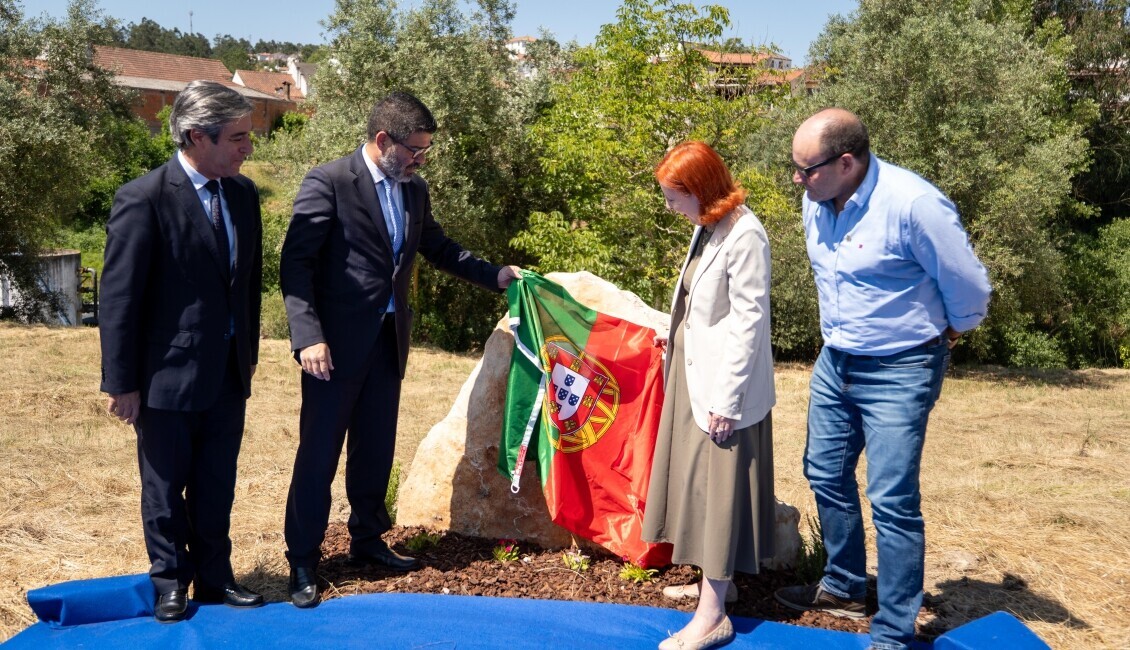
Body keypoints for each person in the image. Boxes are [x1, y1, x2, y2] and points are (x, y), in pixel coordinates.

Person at [279, 91, 521, 608]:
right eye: (415, 149)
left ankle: (367, 542)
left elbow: (439, 248)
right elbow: (296, 265)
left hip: (388, 346)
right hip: (332, 351)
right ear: (383, 140)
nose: (421, 159)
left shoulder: (415, 190)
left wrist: (495, 275)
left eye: (426, 151)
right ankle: (303, 560)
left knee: (374, 451)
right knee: (318, 455)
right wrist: (308, 336)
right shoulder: (328, 182)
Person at [774, 108, 991, 650]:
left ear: (846, 163)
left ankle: (893, 629)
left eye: (807, 169)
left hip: (902, 367)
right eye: (795, 169)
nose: (797, 181)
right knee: (824, 473)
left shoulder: (915, 204)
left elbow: (969, 287)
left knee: (892, 498)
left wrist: (949, 335)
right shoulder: (816, 202)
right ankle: (845, 587)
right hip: (837, 360)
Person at [99, 80, 264, 623]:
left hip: (227, 374)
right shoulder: (143, 198)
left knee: (217, 484)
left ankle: (216, 580)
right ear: (197, 135)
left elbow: (245, 284)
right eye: (238, 137)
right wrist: (121, 382)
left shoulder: (241, 195)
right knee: (166, 488)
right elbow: (119, 298)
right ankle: (171, 582)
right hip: (164, 377)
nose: (247, 148)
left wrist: (249, 356)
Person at [642, 141, 776, 650]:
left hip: (723, 388)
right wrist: (674, 331)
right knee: (697, 490)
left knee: (717, 497)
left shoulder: (746, 234)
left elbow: (748, 324)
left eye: (674, 197)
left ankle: (713, 615)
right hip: (693, 377)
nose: (670, 207)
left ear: (699, 190)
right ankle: (716, 587)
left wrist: (728, 399)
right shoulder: (709, 225)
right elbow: (702, 302)